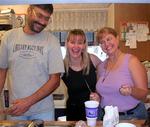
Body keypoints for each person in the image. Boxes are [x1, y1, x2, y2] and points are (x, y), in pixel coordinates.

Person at [0, 4, 64, 120]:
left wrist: (27, 102)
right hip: (16, 110)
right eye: (39, 15)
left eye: (46, 18)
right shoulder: (9, 37)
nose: (43, 22)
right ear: (29, 11)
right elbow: (1, 72)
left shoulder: (52, 41)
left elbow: (55, 80)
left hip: (43, 112)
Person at [91, 27, 148, 120]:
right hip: (105, 117)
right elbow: (102, 94)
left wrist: (131, 91)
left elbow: (144, 94)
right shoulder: (101, 66)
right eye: (102, 42)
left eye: (109, 39)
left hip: (131, 117)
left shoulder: (131, 61)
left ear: (117, 38)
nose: (106, 44)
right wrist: (97, 97)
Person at [61, 29, 101, 120]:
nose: (76, 46)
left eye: (80, 42)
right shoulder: (62, 66)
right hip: (73, 112)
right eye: (72, 42)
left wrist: (99, 94)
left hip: (93, 109)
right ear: (67, 44)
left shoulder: (93, 59)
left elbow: (107, 74)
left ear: (84, 45)